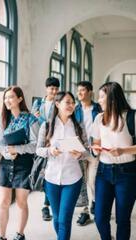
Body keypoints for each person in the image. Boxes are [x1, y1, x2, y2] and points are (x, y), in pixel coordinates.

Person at [36, 91, 89, 240]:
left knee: (65, 219)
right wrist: (50, 150)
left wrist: (80, 154)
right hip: (51, 178)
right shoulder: (47, 126)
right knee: (57, 218)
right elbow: (39, 150)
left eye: (73, 103)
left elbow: (87, 150)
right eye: (68, 102)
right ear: (57, 104)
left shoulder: (78, 127)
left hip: (73, 178)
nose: (71, 105)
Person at [91, 82, 136, 240]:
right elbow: (96, 142)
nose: (99, 100)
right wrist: (95, 149)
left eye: (102, 97)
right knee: (100, 217)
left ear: (112, 98)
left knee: (122, 219)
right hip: (103, 171)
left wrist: (123, 150)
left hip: (127, 173)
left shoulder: (132, 116)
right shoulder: (98, 118)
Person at [0, 86, 39, 240]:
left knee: (21, 202)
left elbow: (35, 145)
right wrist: (8, 153)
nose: (7, 100)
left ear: (20, 99)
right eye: (5, 98)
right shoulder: (3, 120)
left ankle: (20, 234)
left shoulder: (31, 119)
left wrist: (17, 149)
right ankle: (2, 236)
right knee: (3, 202)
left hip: (24, 164)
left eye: (11, 97)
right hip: (6, 163)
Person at [31, 76, 60, 221]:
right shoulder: (38, 103)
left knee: (50, 175)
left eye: (56, 88)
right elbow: (32, 123)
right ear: (46, 88)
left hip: (54, 144)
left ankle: (46, 205)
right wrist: (35, 117)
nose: (54, 91)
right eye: (51, 88)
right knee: (43, 174)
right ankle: (46, 204)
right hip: (40, 143)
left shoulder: (59, 104)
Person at [75, 81, 101, 226]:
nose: (79, 93)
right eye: (78, 90)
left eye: (83, 90)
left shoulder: (98, 108)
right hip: (80, 150)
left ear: (90, 92)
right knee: (82, 183)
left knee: (92, 181)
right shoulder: (75, 109)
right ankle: (84, 212)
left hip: (95, 151)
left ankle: (96, 204)